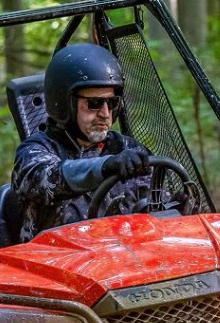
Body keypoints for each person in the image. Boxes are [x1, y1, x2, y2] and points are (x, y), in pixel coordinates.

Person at [12, 44, 152, 241]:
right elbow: (48, 179)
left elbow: (156, 205)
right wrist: (105, 166)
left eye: (111, 103)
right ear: (64, 103)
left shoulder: (126, 148)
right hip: (54, 262)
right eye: (94, 103)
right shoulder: (34, 151)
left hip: (123, 260)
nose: (105, 114)